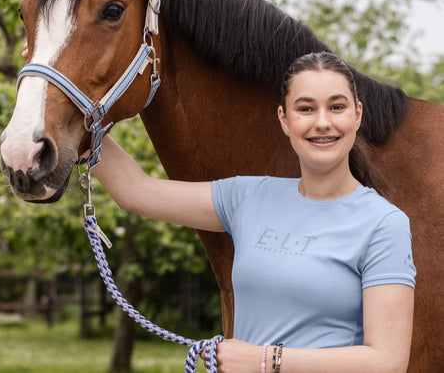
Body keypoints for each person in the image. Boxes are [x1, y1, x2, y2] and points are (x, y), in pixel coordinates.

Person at [43, 46, 418, 372]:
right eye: (306, 108)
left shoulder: (383, 224)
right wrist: (62, 108)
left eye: (336, 107)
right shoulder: (247, 198)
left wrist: (267, 362)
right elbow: (136, 190)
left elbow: (386, 362)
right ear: (284, 120)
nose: (322, 122)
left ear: (357, 115)